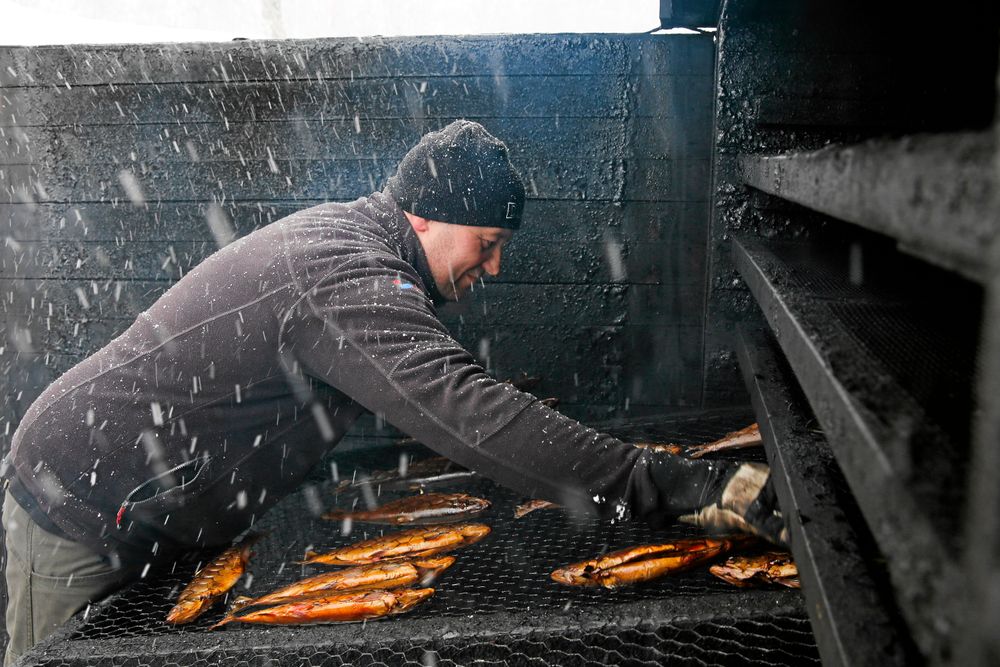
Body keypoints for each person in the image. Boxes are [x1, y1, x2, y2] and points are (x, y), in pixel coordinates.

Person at [0, 120, 786, 663]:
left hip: (168, 505)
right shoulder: (348, 273)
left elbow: (442, 399)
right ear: (432, 216)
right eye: (489, 245)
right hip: (82, 495)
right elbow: (462, 408)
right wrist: (676, 481)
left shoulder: (359, 246)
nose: (497, 269)